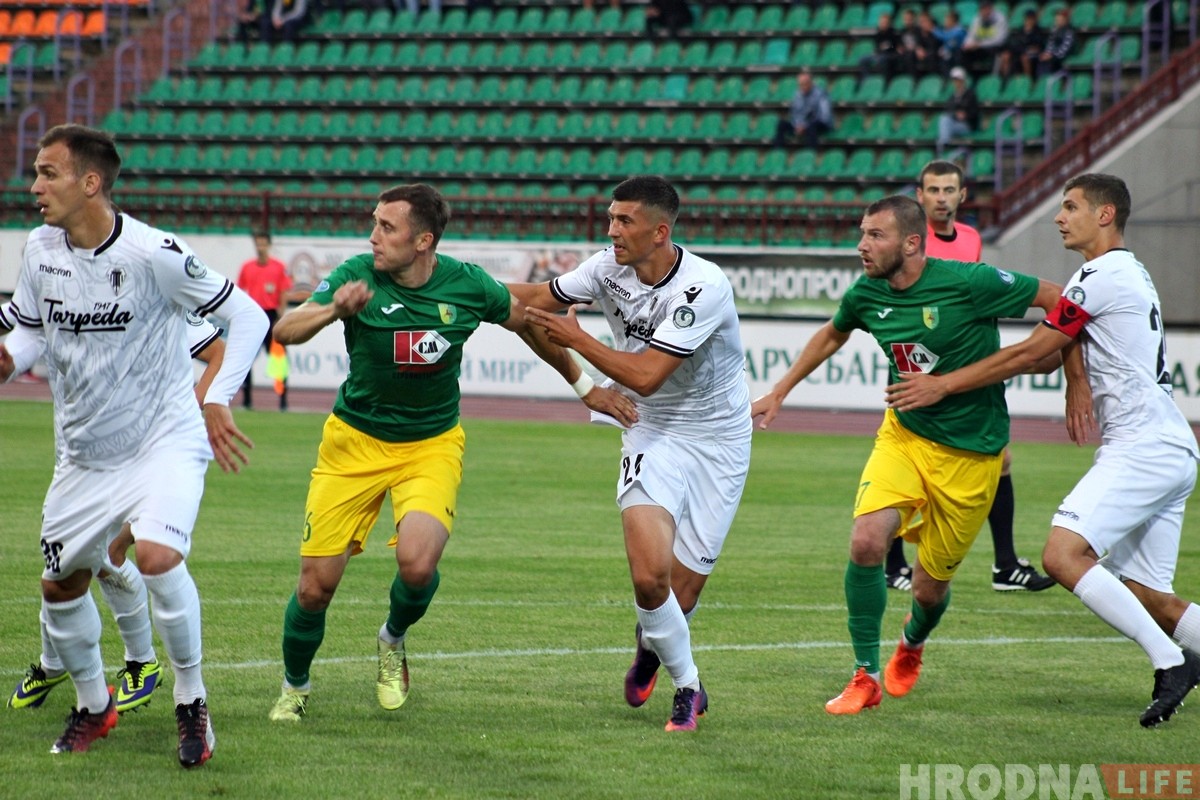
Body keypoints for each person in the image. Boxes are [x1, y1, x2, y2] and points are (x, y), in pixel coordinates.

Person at [265, 183, 635, 724]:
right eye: (374, 224)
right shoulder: (355, 276)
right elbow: (285, 328)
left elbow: (530, 324)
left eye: (387, 228)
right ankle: (294, 686)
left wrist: (586, 388)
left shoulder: (466, 285)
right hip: (353, 443)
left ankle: (391, 641)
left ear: (423, 240)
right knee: (315, 587)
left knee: (417, 564)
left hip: (430, 444)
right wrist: (328, 312)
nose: (374, 237)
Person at [884, 174, 1200, 727]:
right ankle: (1177, 651)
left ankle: (1171, 662)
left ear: (1105, 216)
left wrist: (944, 382)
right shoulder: (1119, 273)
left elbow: (1036, 351)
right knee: (1150, 594)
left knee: (1061, 556)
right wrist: (1073, 376)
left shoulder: (1101, 275)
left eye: (1071, 206)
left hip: (1144, 447)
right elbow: (1058, 349)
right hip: (1168, 445)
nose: (1059, 216)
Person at [0, 124, 268, 765]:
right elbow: (29, 335)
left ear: (90, 182)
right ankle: (95, 706)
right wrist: (6, 360)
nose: (34, 186)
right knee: (59, 587)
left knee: (153, 555)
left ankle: (190, 700)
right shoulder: (39, 250)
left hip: (163, 442)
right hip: (84, 455)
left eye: (47, 173)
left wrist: (216, 398)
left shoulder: (155, 254)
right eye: (35, 173)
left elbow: (250, 316)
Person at [751, 195, 1062, 715]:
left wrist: (1043, 364)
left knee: (928, 589)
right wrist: (780, 390)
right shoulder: (868, 292)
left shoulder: (970, 282)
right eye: (861, 233)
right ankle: (865, 675)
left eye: (876, 235)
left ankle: (913, 642)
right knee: (867, 539)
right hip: (904, 437)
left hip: (972, 454)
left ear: (912, 243)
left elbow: (1059, 300)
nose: (862, 245)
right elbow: (833, 333)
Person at [522, 176, 752, 733]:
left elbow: (647, 375)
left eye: (625, 221)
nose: (612, 230)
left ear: (660, 231)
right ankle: (688, 688)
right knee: (649, 579)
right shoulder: (606, 268)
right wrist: (461, 288)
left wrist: (577, 340)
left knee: (680, 590)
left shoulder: (703, 287)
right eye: (610, 218)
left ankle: (651, 649)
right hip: (650, 431)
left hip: (718, 442)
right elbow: (536, 301)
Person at [8, 315, 225, 714]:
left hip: (132, 458)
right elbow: (18, 342)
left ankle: (143, 664)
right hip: (74, 460)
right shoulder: (51, 286)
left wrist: (195, 410)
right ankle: (57, 663)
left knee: (107, 555)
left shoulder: (149, 276)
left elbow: (217, 350)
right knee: (63, 564)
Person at [884, 160, 1055, 594]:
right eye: (933, 190)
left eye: (949, 190)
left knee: (1002, 458)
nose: (941, 197)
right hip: (920, 372)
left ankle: (1003, 564)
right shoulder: (908, 245)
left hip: (967, 372)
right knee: (907, 464)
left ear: (962, 196)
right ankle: (894, 562)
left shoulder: (972, 239)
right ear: (919, 197)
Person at [236, 229, 309, 411]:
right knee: (245, 360)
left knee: (278, 360)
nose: (260, 246)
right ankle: (246, 401)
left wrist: (280, 316)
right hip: (254, 315)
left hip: (271, 316)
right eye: (257, 243)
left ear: (269, 245)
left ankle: (283, 401)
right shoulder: (247, 267)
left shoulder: (278, 267)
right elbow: (241, 291)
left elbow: (284, 292)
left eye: (263, 243)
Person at [772, 68, 834, 149]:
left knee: (812, 127)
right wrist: (798, 125)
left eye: (805, 84)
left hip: (819, 124)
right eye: (800, 84)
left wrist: (805, 126)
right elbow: (795, 113)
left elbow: (825, 117)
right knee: (781, 124)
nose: (803, 87)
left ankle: (811, 153)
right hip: (802, 125)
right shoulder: (797, 94)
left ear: (811, 83)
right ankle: (778, 151)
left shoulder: (821, 94)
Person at [935, 67, 979, 156]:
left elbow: (975, 112)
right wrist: (956, 114)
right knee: (944, 119)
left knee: (944, 123)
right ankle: (945, 143)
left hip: (967, 125)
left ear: (962, 80)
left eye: (957, 80)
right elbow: (948, 110)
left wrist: (966, 115)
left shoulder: (970, 95)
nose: (955, 82)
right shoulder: (952, 96)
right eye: (954, 80)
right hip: (955, 123)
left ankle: (943, 147)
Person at [961, 1, 1008, 75]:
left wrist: (979, 44)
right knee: (964, 51)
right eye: (982, 9)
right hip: (980, 46)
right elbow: (971, 35)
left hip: (994, 47)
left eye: (986, 8)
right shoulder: (977, 18)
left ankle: (993, 76)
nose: (983, 11)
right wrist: (967, 44)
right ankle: (970, 76)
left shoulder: (1000, 18)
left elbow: (999, 40)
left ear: (990, 8)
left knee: (995, 50)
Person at [997, 9, 1046, 79]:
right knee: (1005, 56)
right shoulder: (1020, 31)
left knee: (1024, 57)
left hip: (1032, 55)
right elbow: (1014, 44)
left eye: (1031, 18)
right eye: (1027, 18)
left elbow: (1037, 46)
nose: (1029, 21)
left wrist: (1027, 48)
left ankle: (1028, 80)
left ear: (1035, 19)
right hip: (1019, 52)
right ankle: (1005, 80)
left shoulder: (1038, 31)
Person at [858, 11, 903, 81]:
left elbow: (894, 47)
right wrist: (878, 50)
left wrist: (886, 47)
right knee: (863, 59)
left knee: (882, 59)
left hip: (889, 55)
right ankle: (866, 80)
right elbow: (878, 47)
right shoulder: (878, 33)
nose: (883, 24)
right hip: (879, 54)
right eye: (882, 22)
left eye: (885, 22)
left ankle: (883, 81)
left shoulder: (893, 33)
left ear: (889, 23)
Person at [1038, 8, 1077, 77]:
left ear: (1066, 20)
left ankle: (1052, 82)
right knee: (1040, 59)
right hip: (1054, 55)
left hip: (1064, 56)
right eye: (1057, 19)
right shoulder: (1055, 30)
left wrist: (1052, 56)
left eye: (1060, 19)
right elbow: (1050, 44)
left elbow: (1065, 49)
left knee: (1050, 63)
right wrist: (1047, 53)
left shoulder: (1069, 32)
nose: (1058, 21)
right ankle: (1042, 82)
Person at [934, 9, 967, 74]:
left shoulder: (960, 30)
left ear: (953, 21)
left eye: (947, 20)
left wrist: (933, 29)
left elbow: (947, 37)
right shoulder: (948, 30)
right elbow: (948, 44)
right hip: (950, 56)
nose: (945, 22)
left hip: (960, 56)